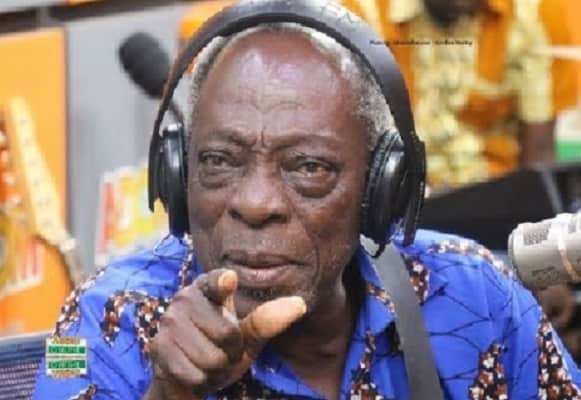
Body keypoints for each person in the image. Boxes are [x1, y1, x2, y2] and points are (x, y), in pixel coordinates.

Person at [34, 2, 581, 399]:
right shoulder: (99, 321)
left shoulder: (476, 295)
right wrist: (169, 395)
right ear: (177, 177)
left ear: (380, 189)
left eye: (309, 168)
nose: (255, 204)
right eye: (219, 161)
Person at [338, 0, 577, 188]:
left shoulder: (534, 11)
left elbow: (538, 158)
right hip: (393, 202)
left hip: (496, 202)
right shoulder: (357, 13)